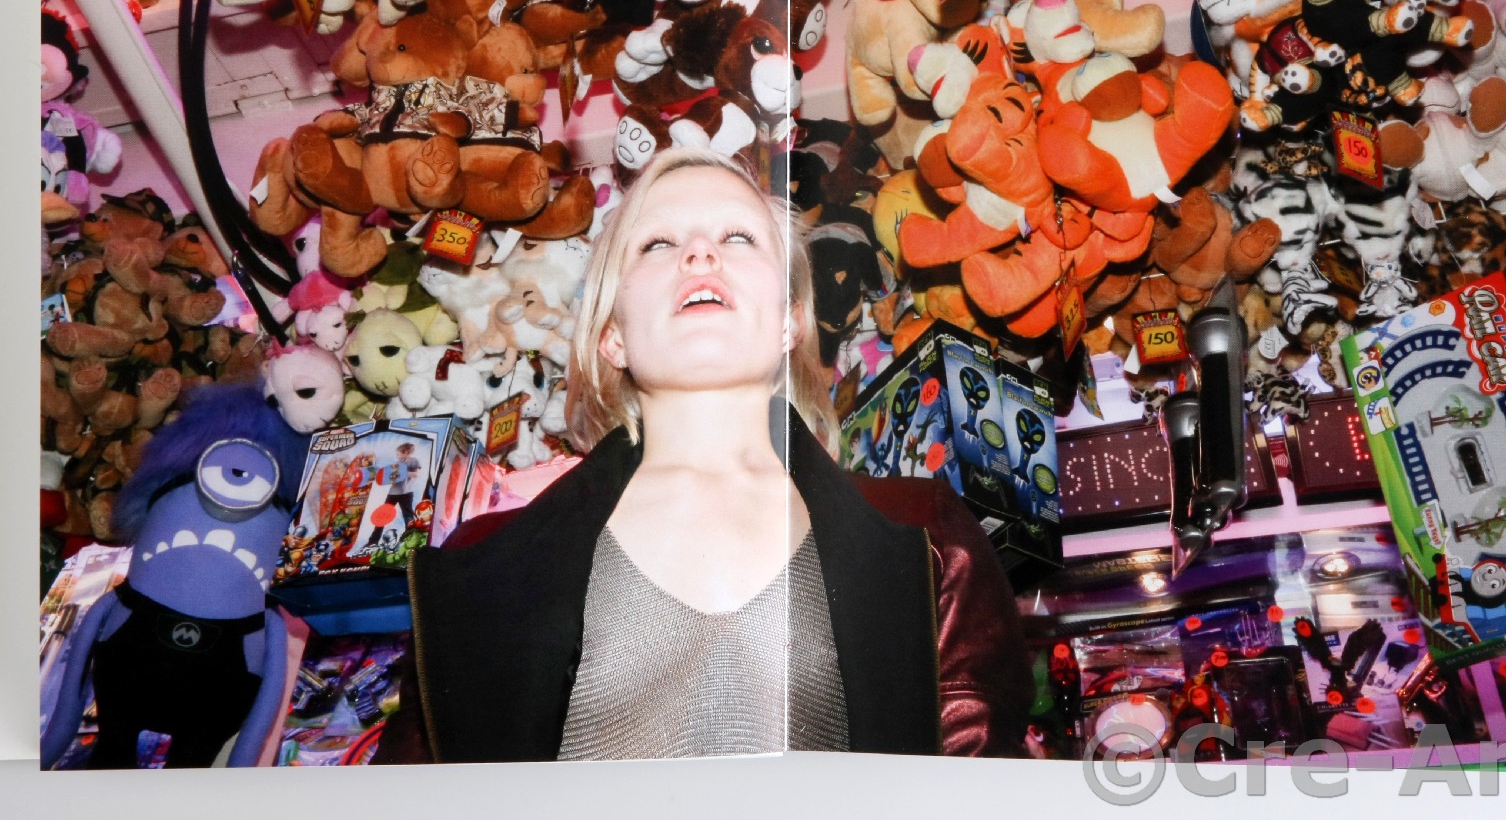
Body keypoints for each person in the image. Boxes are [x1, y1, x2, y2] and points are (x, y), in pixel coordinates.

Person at [378, 148, 1034, 762]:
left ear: (789, 320)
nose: (699, 253)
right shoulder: (480, 570)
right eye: (658, 244)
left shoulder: (929, 541)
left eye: (738, 237)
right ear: (612, 335)